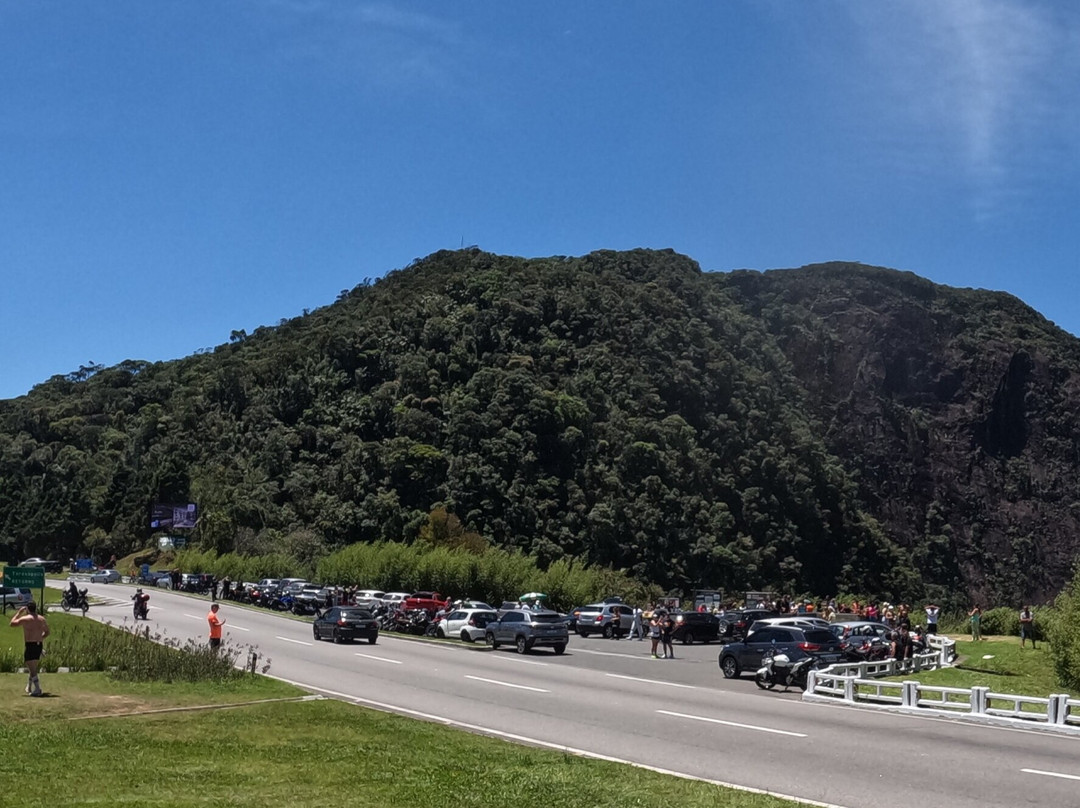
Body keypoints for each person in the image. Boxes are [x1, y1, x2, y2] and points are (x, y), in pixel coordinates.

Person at [10, 602, 49, 696]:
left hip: (30, 645)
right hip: (38, 644)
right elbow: (47, 632)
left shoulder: (26, 619)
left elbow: (12, 623)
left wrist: (19, 613)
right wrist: (40, 638)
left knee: (32, 668)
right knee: (33, 667)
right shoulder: (41, 619)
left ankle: (38, 689)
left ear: (27, 609)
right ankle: (29, 686)